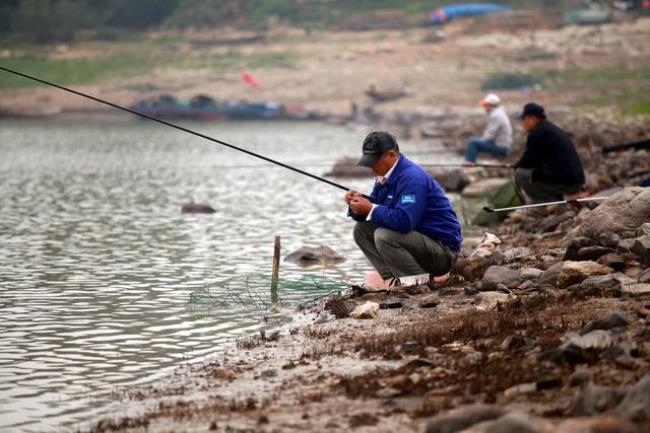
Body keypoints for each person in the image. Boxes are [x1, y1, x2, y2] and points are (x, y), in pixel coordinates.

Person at [345, 131, 462, 288]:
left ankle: (418, 283)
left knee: (383, 235)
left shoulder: (412, 178)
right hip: (420, 243)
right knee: (362, 229)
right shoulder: (384, 176)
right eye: (369, 161)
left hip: (443, 252)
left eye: (374, 161)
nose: (371, 166)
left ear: (391, 155)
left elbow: (404, 221)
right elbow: (378, 207)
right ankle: (392, 280)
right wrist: (357, 205)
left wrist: (370, 208)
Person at [514, 103, 585, 203]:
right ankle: (555, 200)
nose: (522, 123)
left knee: (521, 174)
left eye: (524, 120)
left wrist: (516, 166)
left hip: (568, 183)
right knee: (532, 172)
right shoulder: (549, 129)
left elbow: (527, 162)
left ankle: (547, 202)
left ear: (532, 118)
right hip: (576, 180)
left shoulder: (538, 133)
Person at [464, 93, 513, 164]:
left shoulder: (496, 115)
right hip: (503, 145)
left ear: (491, 105)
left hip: (501, 148)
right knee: (475, 141)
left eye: (485, 105)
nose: (484, 107)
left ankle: (469, 164)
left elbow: (489, 135)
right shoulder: (499, 113)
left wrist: (478, 142)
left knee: (472, 142)